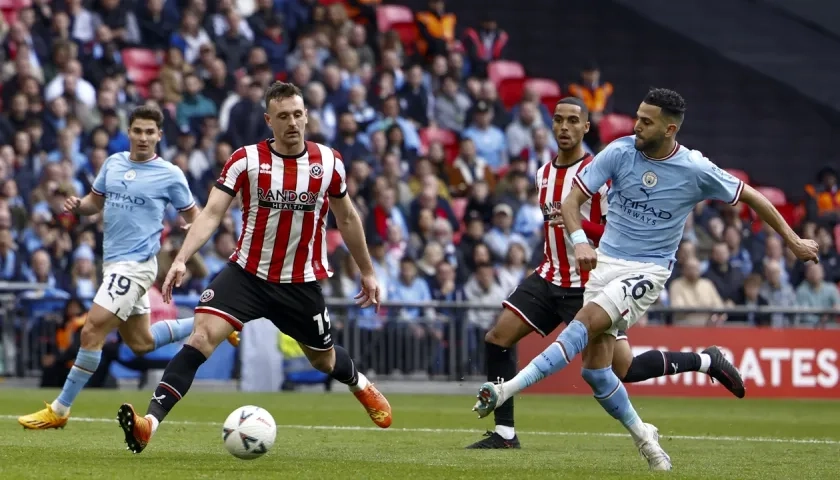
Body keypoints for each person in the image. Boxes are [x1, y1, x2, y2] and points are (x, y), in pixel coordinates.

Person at [472, 88, 820, 470]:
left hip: (647, 271)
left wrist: (793, 241)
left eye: (646, 121)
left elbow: (753, 197)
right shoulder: (619, 152)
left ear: (669, 129)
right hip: (602, 265)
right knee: (598, 373)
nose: (636, 125)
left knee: (582, 327)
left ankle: (505, 390)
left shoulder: (695, 169)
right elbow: (571, 201)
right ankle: (651, 432)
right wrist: (579, 242)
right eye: (637, 117)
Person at [116, 82, 391, 454]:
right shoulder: (246, 160)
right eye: (283, 116)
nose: (292, 122)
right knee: (200, 337)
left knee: (323, 360)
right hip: (246, 275)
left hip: (299, 282)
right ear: (268, 121)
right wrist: (181, 257)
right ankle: (150, 423)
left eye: (297, 114)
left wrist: (367, 271)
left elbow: (348, 217)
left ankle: (359, 382)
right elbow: (212, 212)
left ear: (306, 115)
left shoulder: (328, 162)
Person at [18, 105, 220, 430]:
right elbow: (93, 204)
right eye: (137, 131)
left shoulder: (170, 174)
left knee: (91, 330)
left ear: (159, 135)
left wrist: (183, 255)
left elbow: (198, 218)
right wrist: (76, 207)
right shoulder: (113, 164)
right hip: (112, 263)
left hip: (136, 266)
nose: (143, 137)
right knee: (140, 342)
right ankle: (211, 322)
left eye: (149, 132)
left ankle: (60, 409)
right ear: (129, 133)